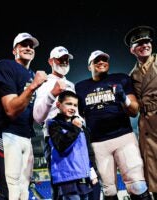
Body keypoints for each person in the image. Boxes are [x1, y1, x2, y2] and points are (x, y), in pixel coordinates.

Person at [75, 50, 151, 200]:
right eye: (97, 60)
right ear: (89, 66)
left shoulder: (121, 78)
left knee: (137, 185)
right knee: (108, 190)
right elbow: (78, 114)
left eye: (104, 59)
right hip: (98, 143)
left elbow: (134, 111)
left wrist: (124, 99)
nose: (101, 62)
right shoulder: (80, 87)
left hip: (123, 137)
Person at [33, 46, 101, 200]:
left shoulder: (71, 84)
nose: (64, 62)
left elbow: (75, 113)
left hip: (76, 136)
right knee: (62, 186)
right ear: (51, 61)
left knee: (86, 187)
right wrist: (52, 94)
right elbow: (38, 117)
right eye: (60, 59)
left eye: (66, 59)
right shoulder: (44, 83)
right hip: (56, 138)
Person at [0, 32, 47, 200]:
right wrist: (34, 86)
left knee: (24, 192)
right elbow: (10, 109)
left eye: (31, 46)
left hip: (26, 136)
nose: (28, 48)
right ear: (14, 50)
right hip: (7, 132)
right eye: (24, 44)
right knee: (10, 192)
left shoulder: (31, 75)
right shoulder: (5, 66)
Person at [124, 25, 157, 200]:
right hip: (147, 128)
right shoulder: (132, 75)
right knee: (154, 179)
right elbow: (133, 110)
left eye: (147, 42)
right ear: (132, 50)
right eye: (139, 43)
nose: (145, 45)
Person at [46, 90, 98, 200]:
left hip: (82, 177)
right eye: (68, 104)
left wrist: (92, 171)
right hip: (66, 178)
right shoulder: (53, 124)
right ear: (58, 105)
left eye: (75, 105)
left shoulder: (81, 127)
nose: (72, 107)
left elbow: (87, 151)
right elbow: (61, 146)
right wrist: (75, 128)